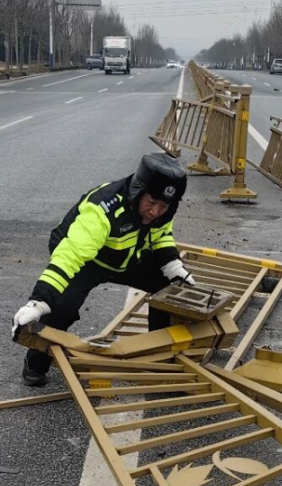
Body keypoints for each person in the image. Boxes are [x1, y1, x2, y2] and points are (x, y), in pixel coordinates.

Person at [12, 153, 195, 386]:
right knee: (61, 306)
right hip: (85, 261)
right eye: (151, 203)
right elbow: (71, 255)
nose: (155, 212)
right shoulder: (102, 208)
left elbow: (161, 235)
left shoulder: (164, 208)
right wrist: (39, 300)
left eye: (164, 206)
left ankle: (160, 355)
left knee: (168, 288)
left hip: (124, 256)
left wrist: (173, 266)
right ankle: (36, 362)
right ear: (137, 191)